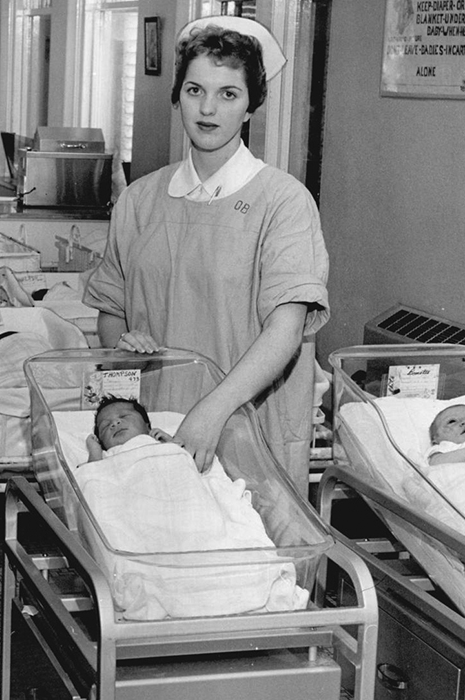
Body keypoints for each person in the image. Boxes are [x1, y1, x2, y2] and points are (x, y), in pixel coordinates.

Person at [82, 17, 329, 494]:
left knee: (254, 556)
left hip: (248, 422)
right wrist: (126, 340)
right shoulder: (141, 199)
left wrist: (212, 412)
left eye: (228, 94)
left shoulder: (283, 201)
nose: (208, 108)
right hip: (157, 425)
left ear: (251, 105)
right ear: (177, 96)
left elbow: (286, 331)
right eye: (195, 90)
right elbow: (112, 312)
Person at [85, 396, 175, 462]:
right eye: (106, 425)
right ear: (101, 443)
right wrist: (95, 452)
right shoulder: (104, 457)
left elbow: (184, 460)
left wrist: (172, 443)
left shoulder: (159, 443)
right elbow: (90, 478)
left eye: (124, 416)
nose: (115, 423)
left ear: (147, 426)